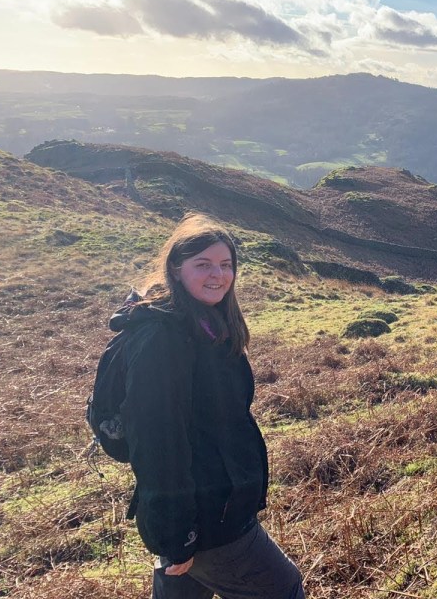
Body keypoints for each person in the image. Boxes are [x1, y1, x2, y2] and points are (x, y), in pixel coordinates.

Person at [109, 213, 305, 599]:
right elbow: (157, 441)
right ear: (175, 268)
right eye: (203, 264)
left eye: (226, 264)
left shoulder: (204, 323)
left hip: (207, 505)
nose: (218, 274)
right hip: (206, 517)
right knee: (283, 589)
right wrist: (178, 535)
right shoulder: (165, 338)